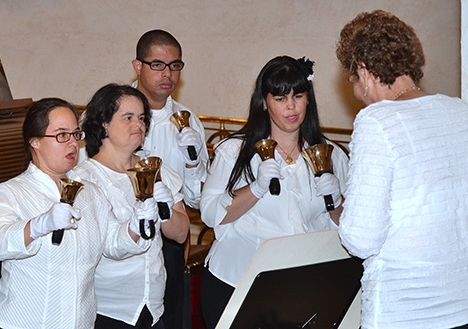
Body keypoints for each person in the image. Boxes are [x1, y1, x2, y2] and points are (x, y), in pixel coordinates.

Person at [336, 10, 468, 329]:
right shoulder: (459, 111)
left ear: (364, 71)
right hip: (461, 303)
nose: (356, 91)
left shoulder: (377, 121)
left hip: (405, 310)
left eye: (353, 79)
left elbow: (360, 238)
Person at [199, 56, 349, 328]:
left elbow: (349, 226)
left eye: (298, 96)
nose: (291, 106)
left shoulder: (331, 155)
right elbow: (210, 214)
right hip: (237, 282)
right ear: (264, 103)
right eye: (280, 98)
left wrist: (337, 202)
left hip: (304, 287)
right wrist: (255, 188)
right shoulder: (235, 152)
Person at [0, 97, 149, 329]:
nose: (72, 144)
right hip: (21, 323)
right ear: (35, 142)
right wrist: (39, 225)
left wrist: (138, 222)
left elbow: (113, 243)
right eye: (62, 135)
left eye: (75, 134)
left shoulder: (91, 193)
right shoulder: (12, 191)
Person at [74, 84, 190, 329]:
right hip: (109, 308)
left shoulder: (155, 167)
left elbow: (179, 234)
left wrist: (165, 202)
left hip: (154, 303)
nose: (138, 125)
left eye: (142, 118)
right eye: (128, 117)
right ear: (104, 123)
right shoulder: (84, 178)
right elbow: (106, 245)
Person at [131, 30, 207, 327]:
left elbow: (197, 200)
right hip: (124, 238)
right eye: (158, 65)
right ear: (138, 66)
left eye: (175, 65)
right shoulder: (114, 111)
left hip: (170, 240)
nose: (168, 74)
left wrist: (192, 162)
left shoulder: (188, 120)